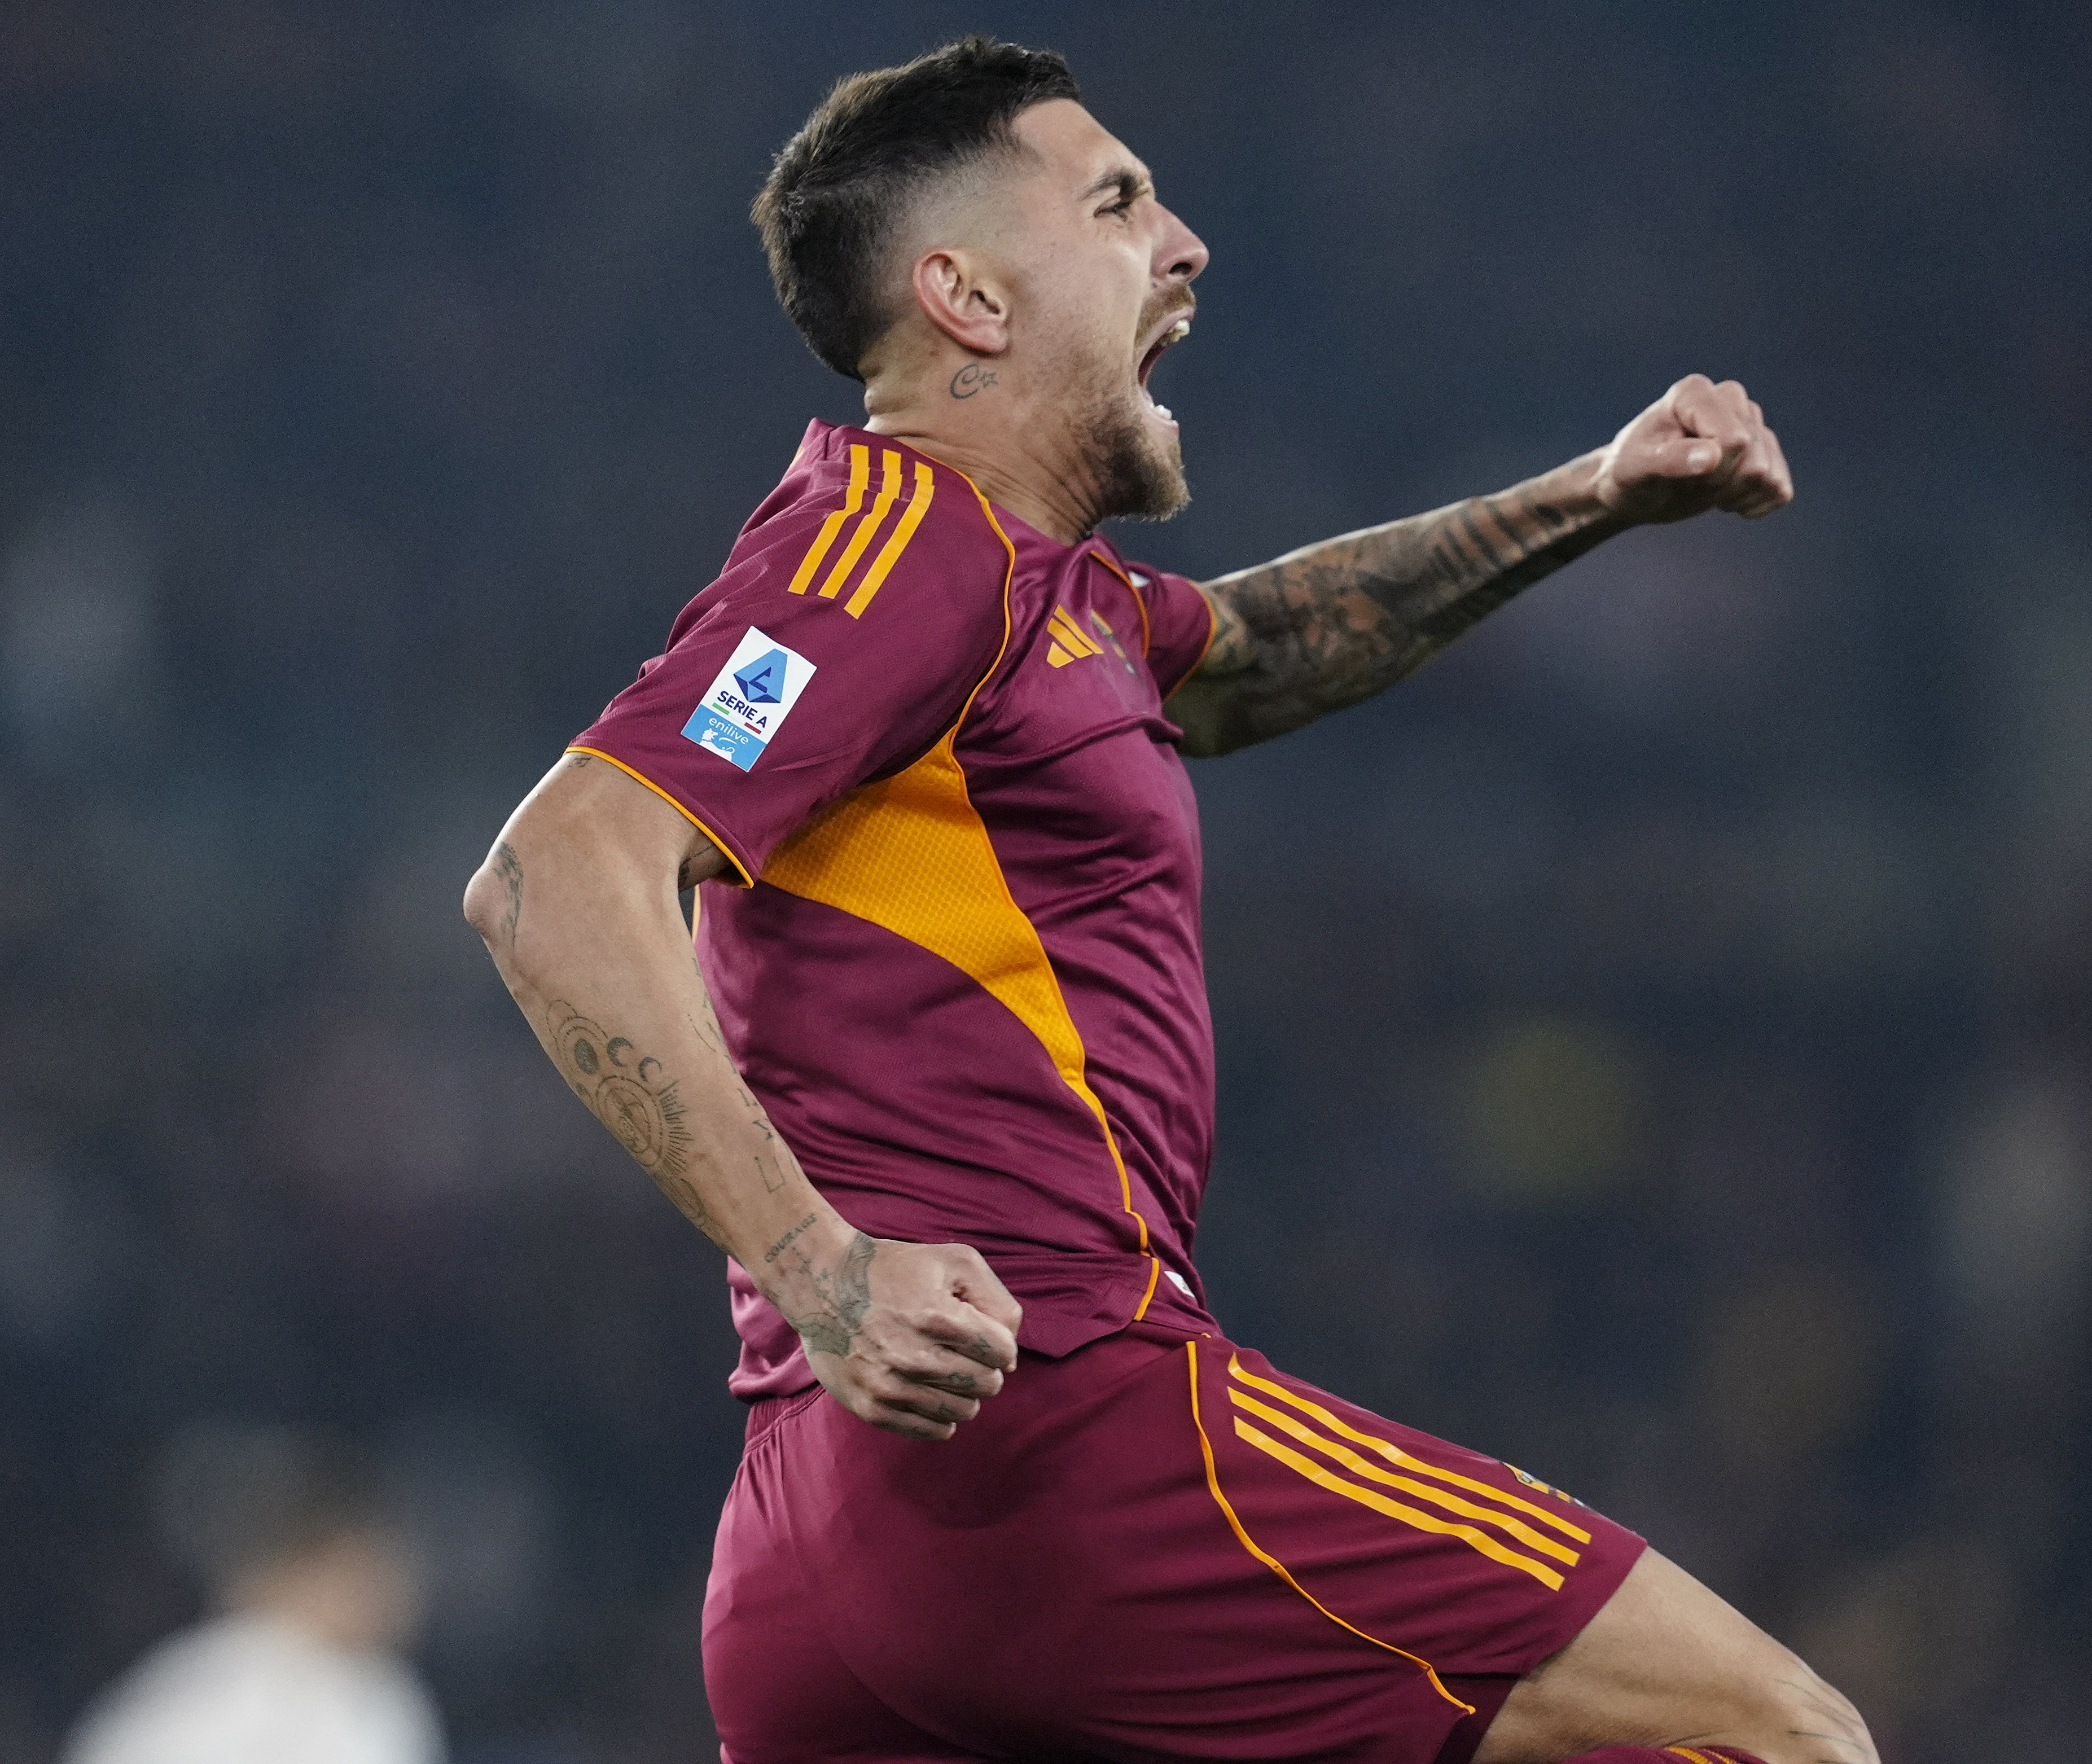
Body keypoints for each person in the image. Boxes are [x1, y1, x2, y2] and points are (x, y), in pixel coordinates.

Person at [462, 34, 1864, 1764]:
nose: (1184, 241)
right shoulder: (907, 543)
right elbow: (556, 876)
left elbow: (1248, 657)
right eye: (1118, 200)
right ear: (963, 293)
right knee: (1766, 1735)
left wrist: (1586, 496)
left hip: (820, 1555)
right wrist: (821, 1267)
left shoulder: (1050, 605)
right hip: (1054, 1430)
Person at [60, 1423, 441, 1764]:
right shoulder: (240, 1687)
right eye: (370, 1565)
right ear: (310, 1566)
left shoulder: (375, 1687)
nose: (399, 1585)